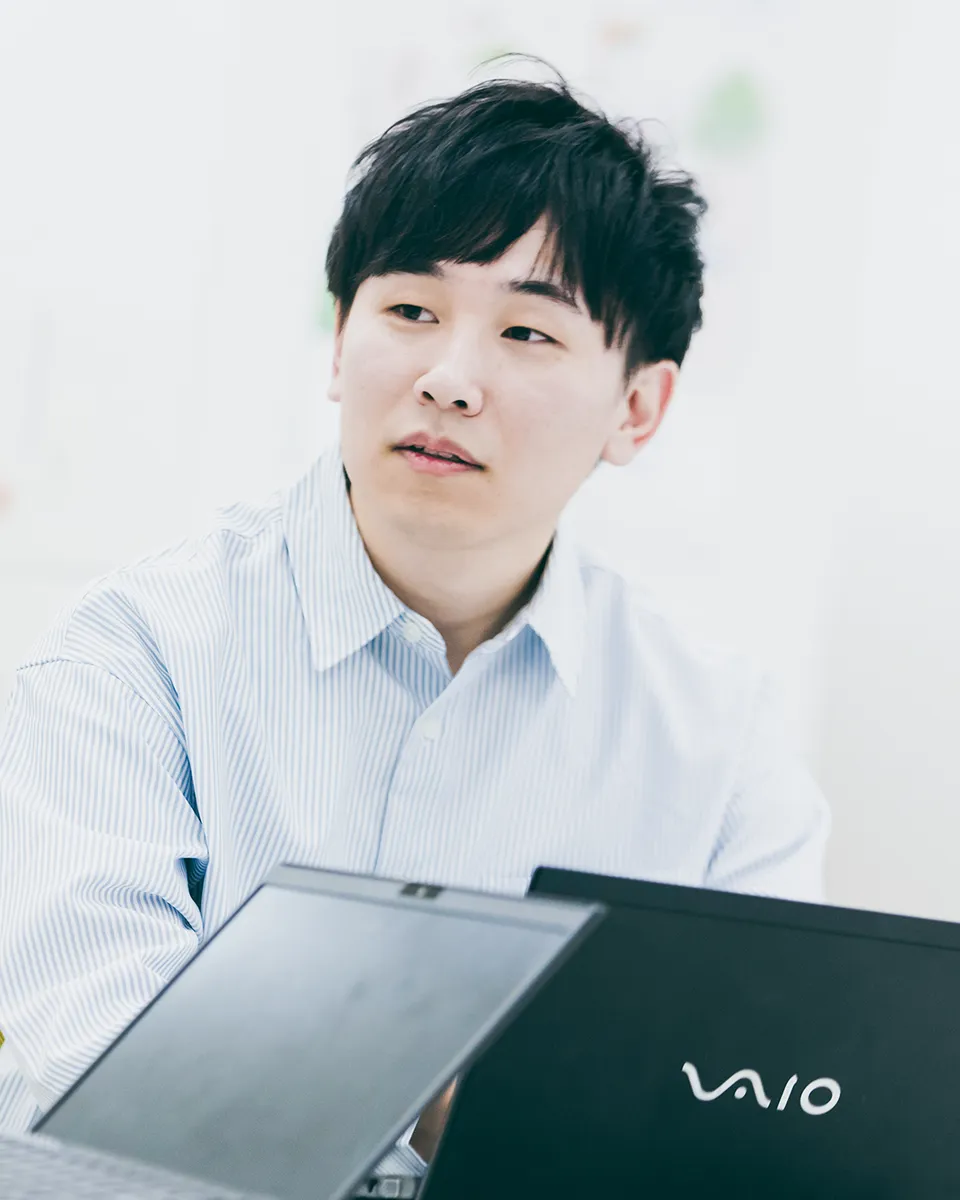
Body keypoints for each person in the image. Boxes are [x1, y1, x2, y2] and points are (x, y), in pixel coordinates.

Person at [0, 70, 829, 1168]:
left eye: (528, 332)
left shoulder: (720, 737)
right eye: (409, 312)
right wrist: (492, 1114)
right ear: (339, 343)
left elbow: (755, 1113)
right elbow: (116, 1069)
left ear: (637, 408)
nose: (449, 380)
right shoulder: (131, 652)